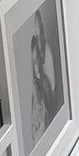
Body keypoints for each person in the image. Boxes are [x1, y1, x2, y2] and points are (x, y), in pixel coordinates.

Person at [28, 18, 58, 146]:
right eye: (34, 62)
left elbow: (51, 116)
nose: (37, 66)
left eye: (38, 60)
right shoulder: (34, 90)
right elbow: (33, 125)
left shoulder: (45, 83)